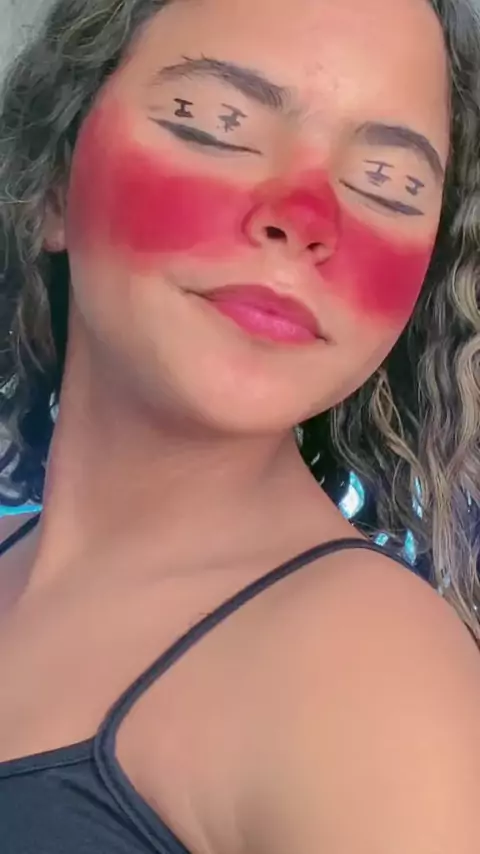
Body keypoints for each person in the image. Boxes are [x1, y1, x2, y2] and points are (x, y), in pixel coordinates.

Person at [0, 0, 479, 851]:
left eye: (389, 185)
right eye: (218, 126)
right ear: (53, 185)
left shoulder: (365, 674)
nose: (305, 219)